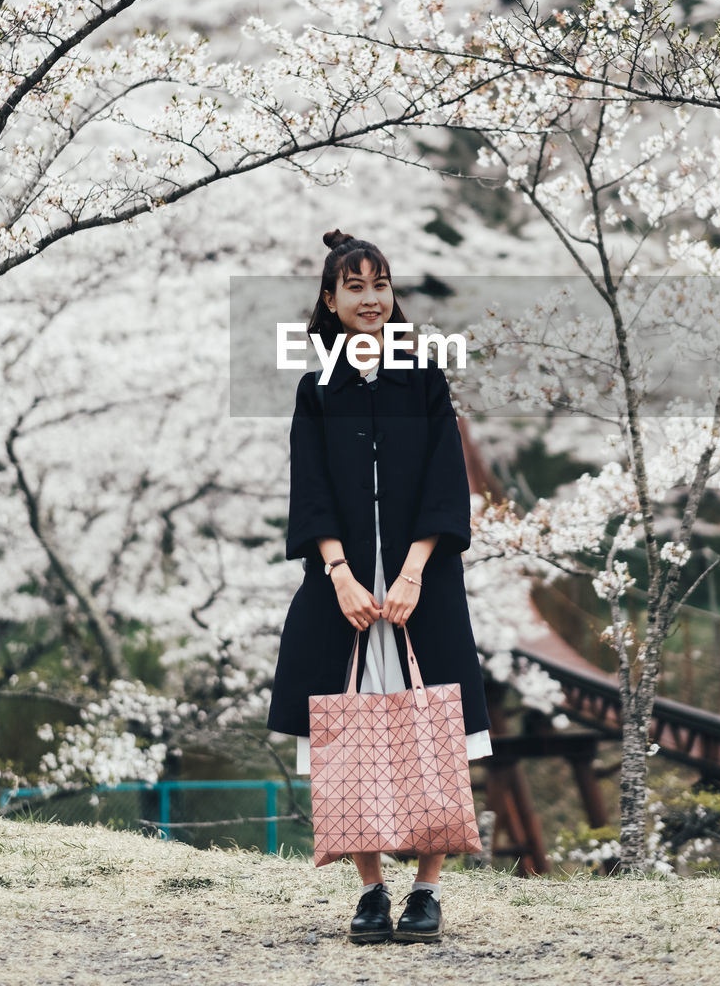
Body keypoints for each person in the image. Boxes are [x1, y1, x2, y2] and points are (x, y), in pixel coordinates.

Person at [267, 229, 491, 945]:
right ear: (329, 302)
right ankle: (370, 890)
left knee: (439, 728)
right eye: (354, 287)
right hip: (342, 594)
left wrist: (411, 573)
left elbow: (444, 484)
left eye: (380, 285)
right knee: (342, 730)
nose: (370, 299)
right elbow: (310, 492)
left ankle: (426, 890)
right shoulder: (315, 390)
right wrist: (337, 574)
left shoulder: (424, 380)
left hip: (421, 588)